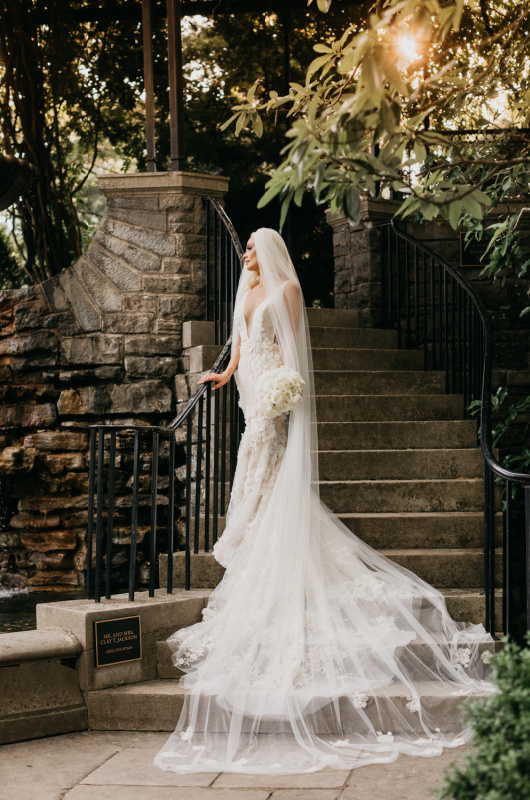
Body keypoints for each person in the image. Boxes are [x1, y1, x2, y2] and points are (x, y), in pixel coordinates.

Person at [154, 228, 495, 775]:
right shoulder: (245, 289)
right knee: (253, 481)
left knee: (263, 475)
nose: (245, 256)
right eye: (243, 250)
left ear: (270, 253)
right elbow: (242, 345)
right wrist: (225, 373)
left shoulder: (287, 293)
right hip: (250, 398)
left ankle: (277, 567)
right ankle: (264, 562)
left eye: (251, 250)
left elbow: (292, 357)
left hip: (274, 402)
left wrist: (283, 396)